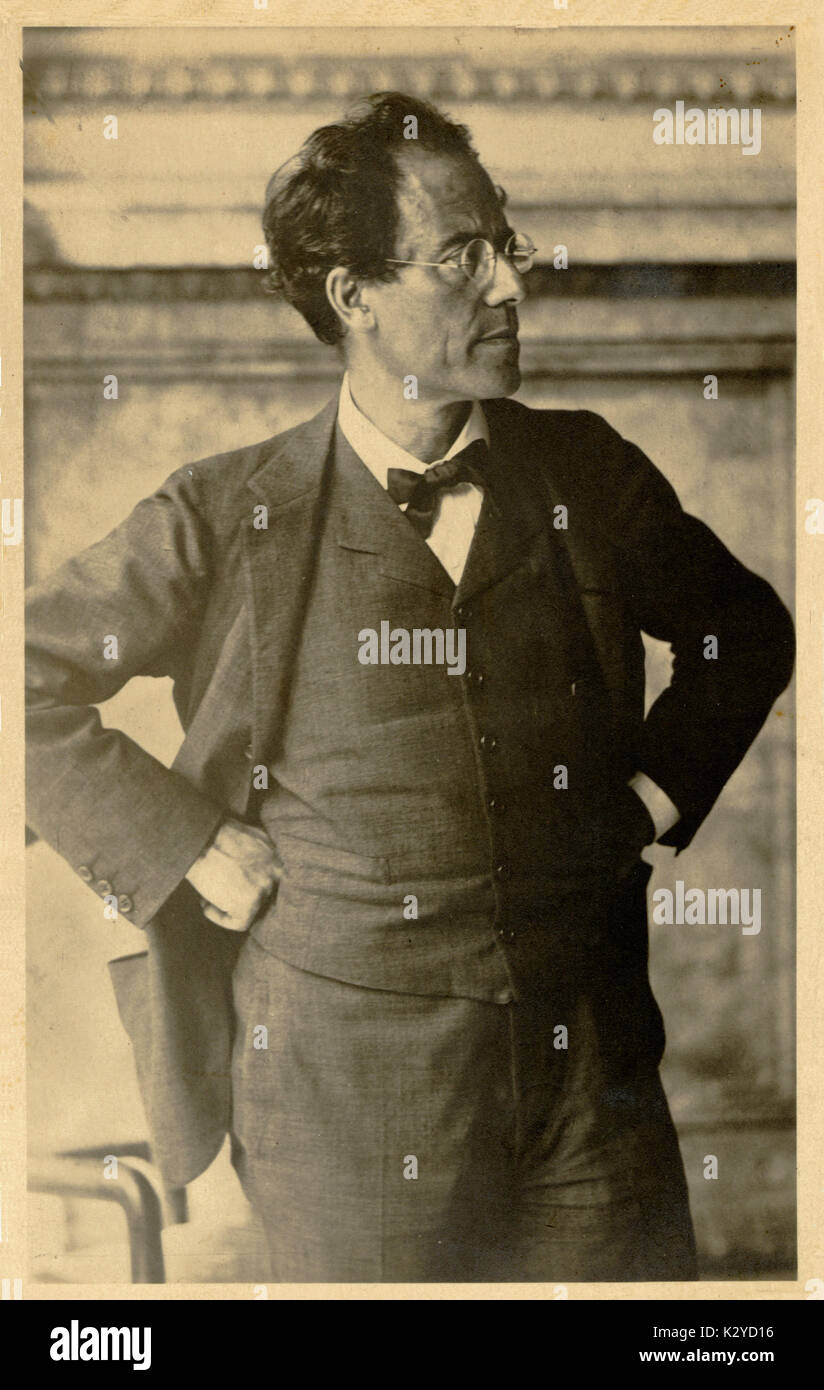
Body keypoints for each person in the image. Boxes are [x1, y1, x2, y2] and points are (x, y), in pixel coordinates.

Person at [25, 92, 795, 1282]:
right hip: (343, 1095)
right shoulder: (225, 511)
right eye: (460, 258)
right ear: (353, 298)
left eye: (506, 247)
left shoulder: (583, 472)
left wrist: (645, 798)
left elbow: (741, 629)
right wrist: (182, 844)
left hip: (589, 1083)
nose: (508, 288)